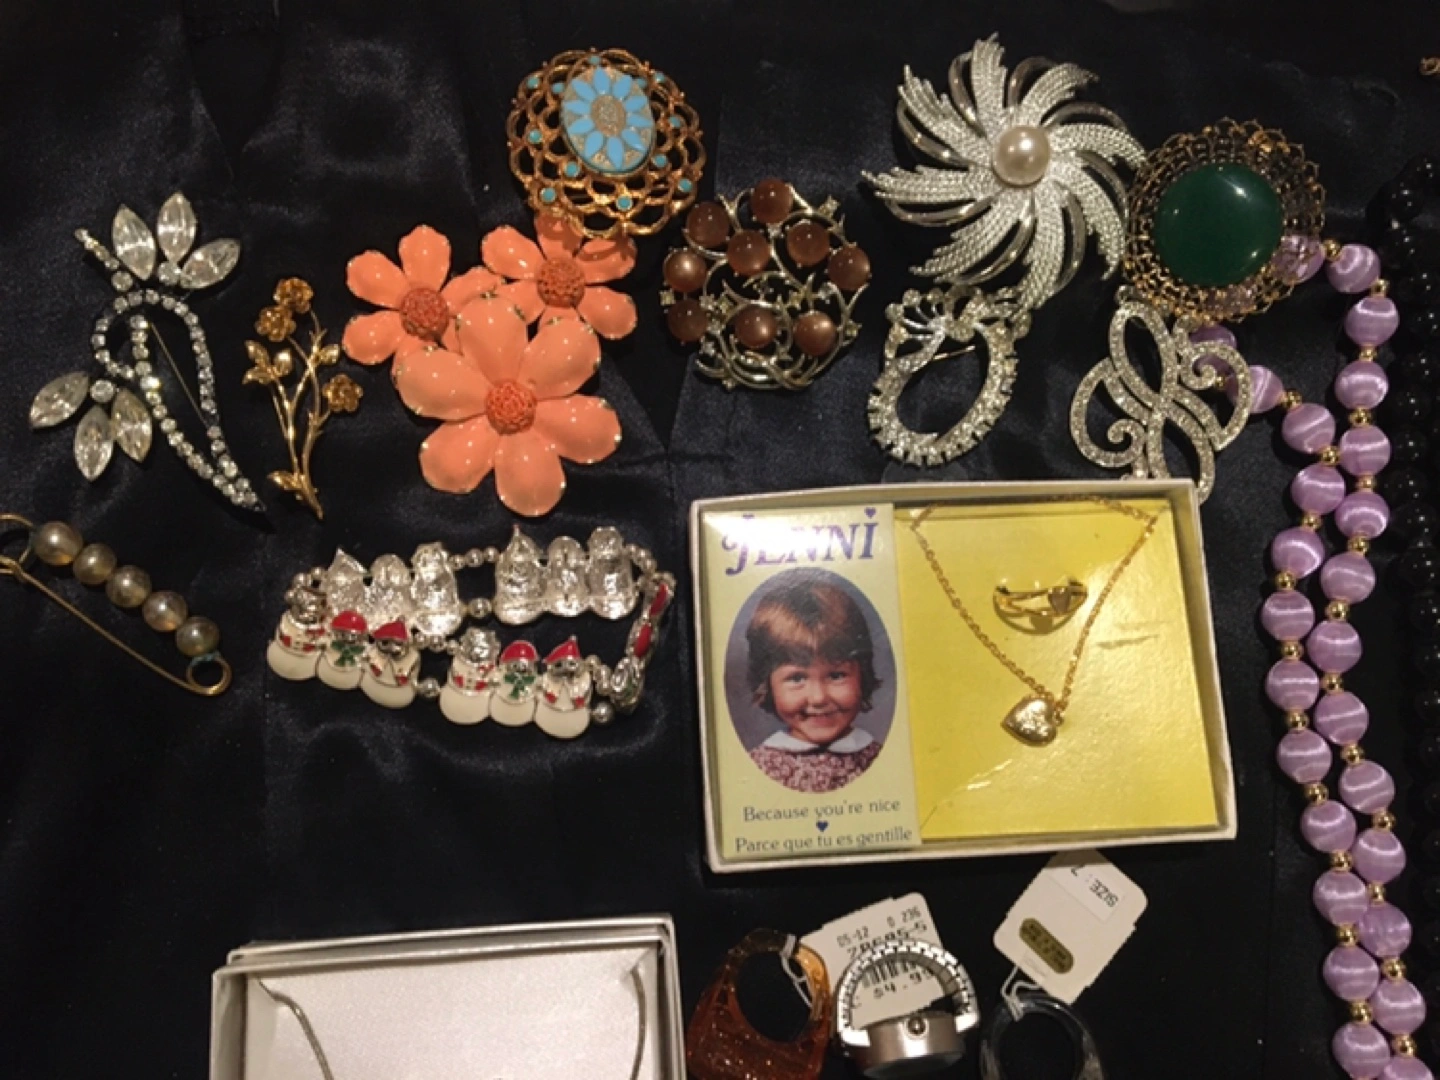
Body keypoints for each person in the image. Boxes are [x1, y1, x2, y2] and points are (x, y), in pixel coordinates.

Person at [744, 573, 884, 793]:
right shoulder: (756, 768)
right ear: (767, 685)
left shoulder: (883, 760)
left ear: (862, 676)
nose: (818, 698)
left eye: (836, 676)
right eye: (797, 678)